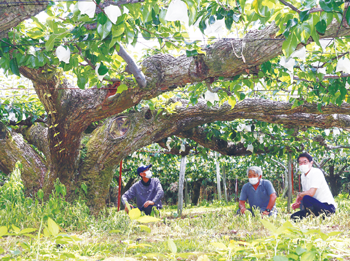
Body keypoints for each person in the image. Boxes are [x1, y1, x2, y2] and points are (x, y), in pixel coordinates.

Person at [291, 153, 336, 220]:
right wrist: (298, 202)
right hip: (315, 207)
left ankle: (311, 218)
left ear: (311, 163)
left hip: (327, 207)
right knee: (294, 217)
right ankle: (312, 216)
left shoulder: (316, 172)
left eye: (305, 162)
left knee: (306, 198)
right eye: (300, 163)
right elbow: (305, 193)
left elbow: (310, 193)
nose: (302, 164)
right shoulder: (303, 176)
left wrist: (299, 195)